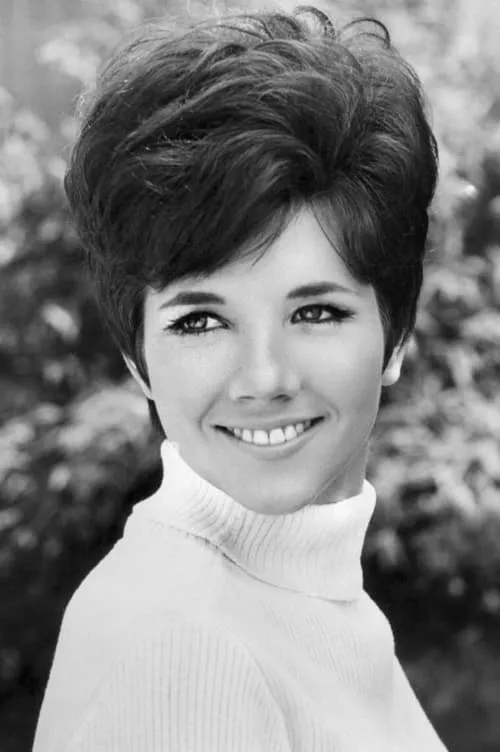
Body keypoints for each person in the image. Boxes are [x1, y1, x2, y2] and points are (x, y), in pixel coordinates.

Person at [33, 5, 447, 751]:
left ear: (396, 335)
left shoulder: (307, 600)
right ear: (136, 356)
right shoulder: (188, 652)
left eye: (315, 312)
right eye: (200, 321)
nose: (264, 378)